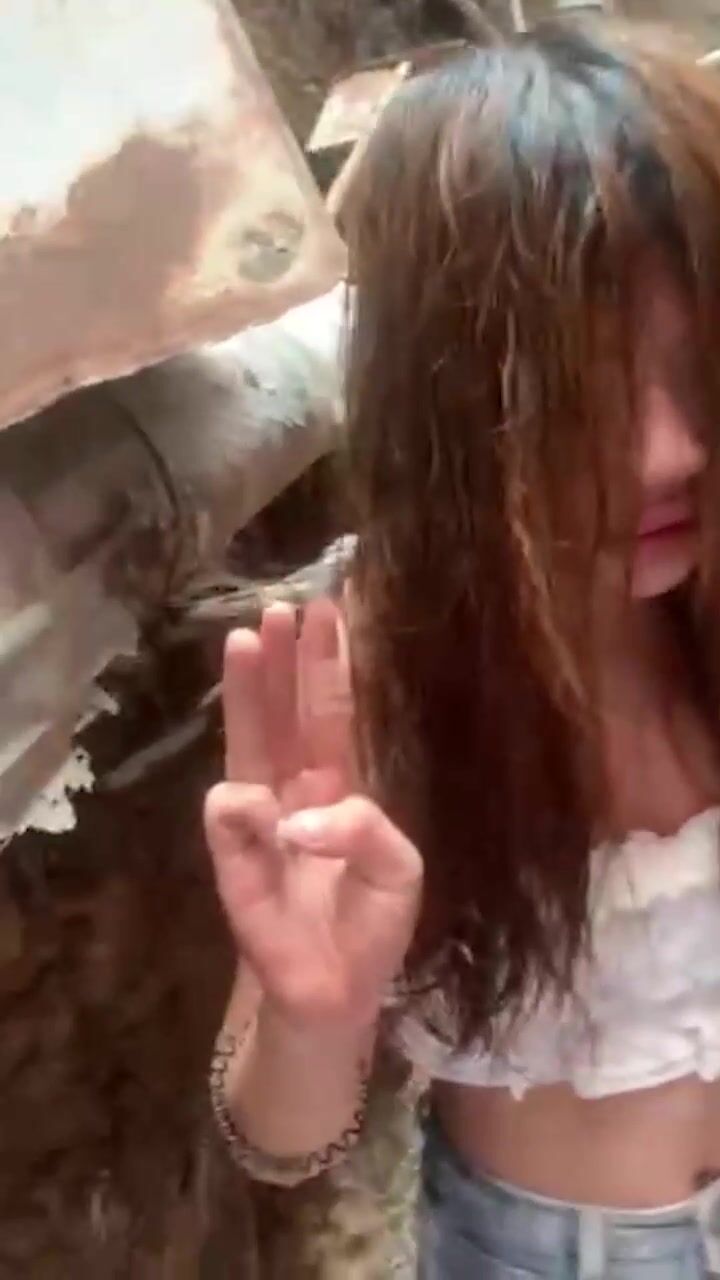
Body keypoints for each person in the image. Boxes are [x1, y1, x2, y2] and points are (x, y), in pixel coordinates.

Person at [204, 18, 720, 1277]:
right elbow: (277, 1134)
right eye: (581, 393)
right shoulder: (371, 669)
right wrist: (317, 1016)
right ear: (451, 403)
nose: (670, 450)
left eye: (698, 367)